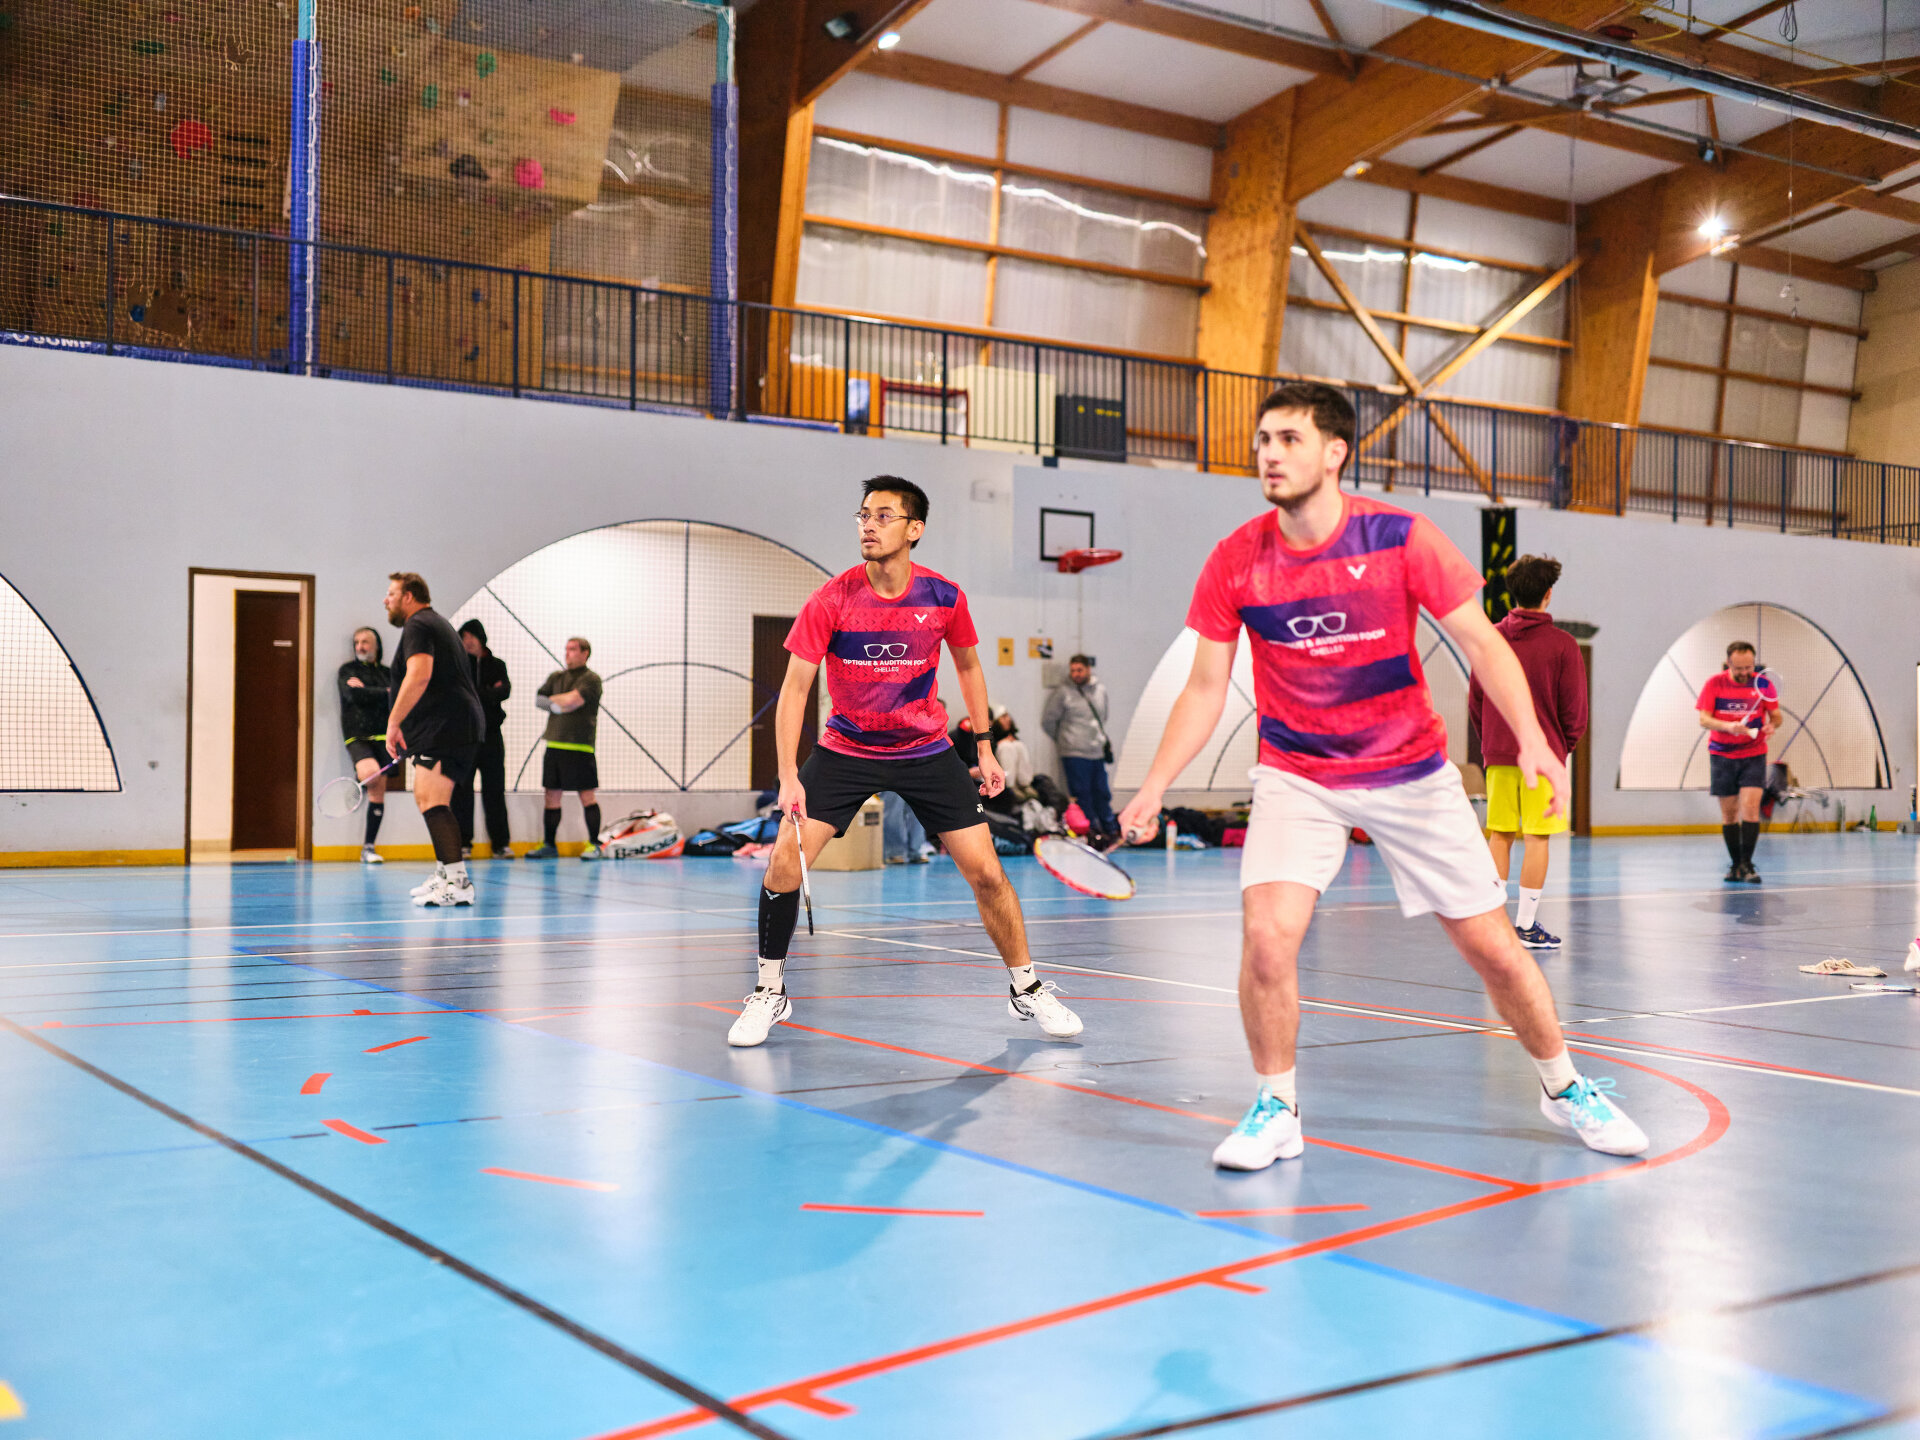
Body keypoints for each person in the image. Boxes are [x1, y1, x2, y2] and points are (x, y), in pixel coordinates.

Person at [1116, 382, 1647, 1171]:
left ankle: (1564, 1086)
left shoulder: (1399, 537)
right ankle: (1277, 1107)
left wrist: (1536, 738)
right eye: (1263, 439)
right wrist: (1155, 784)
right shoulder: (1235, 558)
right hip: (1298, 772)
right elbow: (1204, 688)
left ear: (1335, 453)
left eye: (1289, 439)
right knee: (1267, 939)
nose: (1269, 454)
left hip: (1409, 772)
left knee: (1495, 949)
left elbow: (1483, 643)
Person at [730, 474, 1083, 1048]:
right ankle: (770, 991)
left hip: (926, 750)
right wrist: (789, 775)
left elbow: (968, 666)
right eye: (863, 515)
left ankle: (1027, 987)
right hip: (846, 749)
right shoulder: (832, 599)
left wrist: (985, 746)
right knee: (783, 864)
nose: (869, 525)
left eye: (884, 516)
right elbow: (795, 689)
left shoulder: (944, 597)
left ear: (915, 529)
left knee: (988, 873)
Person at [1467, 555, 1587, 950]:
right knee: (1538, 838)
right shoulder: (1563, 645)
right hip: (1544, 758)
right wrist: (1562, 748)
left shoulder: (1490, 639)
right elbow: (1574, 710)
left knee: (1499, 834)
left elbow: (1476, 700)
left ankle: (1492, 926)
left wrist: (1492, 741)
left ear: (1511, 593)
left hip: (1499, 754)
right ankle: (1525, 926)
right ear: (1548, 594)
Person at [383, 572, 486, 907]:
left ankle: (458, 882)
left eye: (391, 594)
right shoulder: (432, 623)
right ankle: (446, 873)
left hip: (447, 727)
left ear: (408, 596)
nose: (386, 600)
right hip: (445, 726)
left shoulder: (419, 624)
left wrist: (394, 721)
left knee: (433, 801)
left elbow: (419, 675)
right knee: (427, 797)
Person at [1697, 641, 1778, 883]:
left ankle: (1747, 864)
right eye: (1739, 668)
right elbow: (1704, 719)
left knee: (1751, 807)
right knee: (1730, 813)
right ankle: (1735, 866)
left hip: (1753, 753)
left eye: (1749, 667)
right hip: (1722, 755)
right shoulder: (1714, 684)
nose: (1745, 673)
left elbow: (1776, 715)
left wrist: (1772, 725)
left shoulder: (1763, 684)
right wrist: (1727, 726)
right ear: (1728, 663)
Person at [524, 638, 604, 860]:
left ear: (585, 653)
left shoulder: (591, 679)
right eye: (566, 649)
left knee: (587, 795)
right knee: (551, 796)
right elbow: (540, 700)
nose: (568, 653)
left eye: (573, 649)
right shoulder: (556, 677)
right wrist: (558, 703)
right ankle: (550, 845)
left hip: (580, 746)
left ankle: (594, 844)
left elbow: (574, 700)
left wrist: (555, 702)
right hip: (554, 744)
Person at [454, 619, 513, 860]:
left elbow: (504, 691)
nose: (468, 641)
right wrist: (489, 692)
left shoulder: (497, 665)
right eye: (464, 637)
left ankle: (500, 843)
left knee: (495, 790)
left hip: (491, 736)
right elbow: (460, 695)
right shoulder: (458, 666)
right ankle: (462, 843)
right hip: (465, 737)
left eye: (472, 636)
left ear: (481, 638)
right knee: (461, 790)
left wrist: (479, 693)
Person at [1042, 654, 1118, 841]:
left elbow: (1103, 716)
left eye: (1079, 670)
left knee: (1102, 792)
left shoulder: (1100, 690)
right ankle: (1091, 833)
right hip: (1074, 753)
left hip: (1096, 751)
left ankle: (1110, 830)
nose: (1076, 674)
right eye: (1073, 670)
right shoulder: (1063, 693)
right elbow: (1048, 721)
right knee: (1082, 795)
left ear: (1088, 669)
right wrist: (1066, 741)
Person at [337, 627, 393, 865]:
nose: (360, 646)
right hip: (357, 736)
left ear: (376, 645)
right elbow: (353, 696)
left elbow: (395, 698)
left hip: (383, 737)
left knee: (378, 792)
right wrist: (383, 693)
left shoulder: (388, 673)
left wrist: (368, 691)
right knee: (371, 774)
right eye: (357, 642)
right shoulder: (347, 671)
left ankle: (368, 847)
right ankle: (359, 779)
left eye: (365, 642)